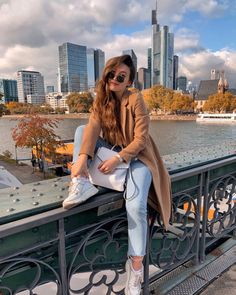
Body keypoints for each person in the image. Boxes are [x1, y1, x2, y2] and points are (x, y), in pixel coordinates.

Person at [62, 55, 171, 295]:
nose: (114, 79)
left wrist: (118, 159)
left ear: (129, 80)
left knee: (136, 207)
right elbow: (92, 128)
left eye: (121, 76)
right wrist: (81, 159)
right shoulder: (100, 99)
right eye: (111, 74)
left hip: (138, 157)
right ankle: (80, 183)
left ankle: (135, 268)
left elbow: (141, 140)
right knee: (83, 129)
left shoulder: (135, 99)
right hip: (111, 152)